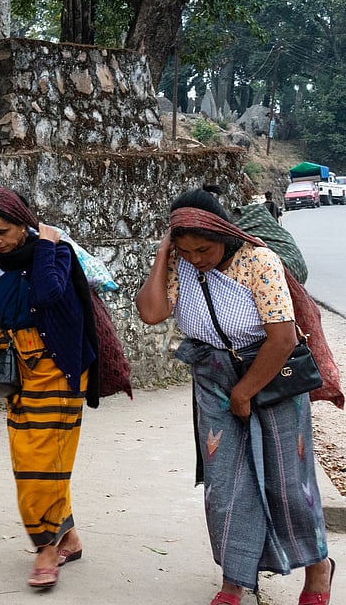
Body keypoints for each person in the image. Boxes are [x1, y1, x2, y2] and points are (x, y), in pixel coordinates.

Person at [134, 189, 334, 605]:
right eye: (185, 250)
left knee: (287, 481)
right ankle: (234, 578)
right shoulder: (178, 263)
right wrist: (162, 256)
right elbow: (152, 312)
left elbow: (281, 338)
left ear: (224, 234)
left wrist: (245, 392)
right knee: (225, 484)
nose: (196, 259)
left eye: (203, 249)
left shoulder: (259, 263)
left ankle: (317, 567)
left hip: (271, 374)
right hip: (212, 376)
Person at [0, 187, 99, 590]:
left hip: (59, 367)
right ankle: (69, 537)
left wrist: (45, 241)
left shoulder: (56, 252)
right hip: (16, 369)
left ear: (24, 222)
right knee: (34, 456)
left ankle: (45, 547)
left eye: (4, 232)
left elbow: (47, 293)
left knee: (40, 460)